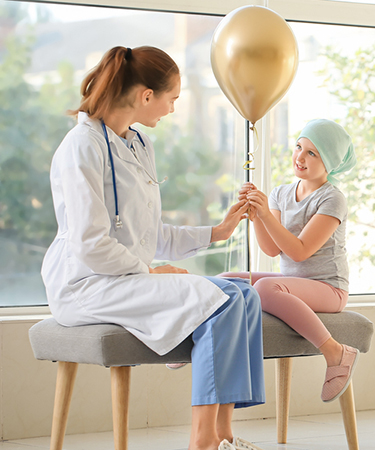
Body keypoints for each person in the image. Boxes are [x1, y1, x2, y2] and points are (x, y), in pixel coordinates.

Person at [41, 46, 264, 450]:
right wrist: (150, 272)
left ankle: (226, 435)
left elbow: (147, 234)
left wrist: (218, 231)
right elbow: (91, 245)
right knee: (224, 299)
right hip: (87, 283)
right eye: (172, 98)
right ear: (147, 95)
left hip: (123, 278)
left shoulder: (138, 144)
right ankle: (204, 441)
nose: (173, 108)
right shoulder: (81, 147)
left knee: (244, 295)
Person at [219, 119, 359, 403]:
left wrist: (266, 216)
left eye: (312, 153)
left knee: (267, 289)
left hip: (328, 289)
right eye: (299, 147)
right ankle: (196, 340)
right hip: (294, 285)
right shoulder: (282, 193)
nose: (300, 157)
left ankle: (335, 351)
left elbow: (299, 252)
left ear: (329, 161)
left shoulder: (332, 199)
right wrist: (256, 214)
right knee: (225, 281)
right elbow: (271, 249)